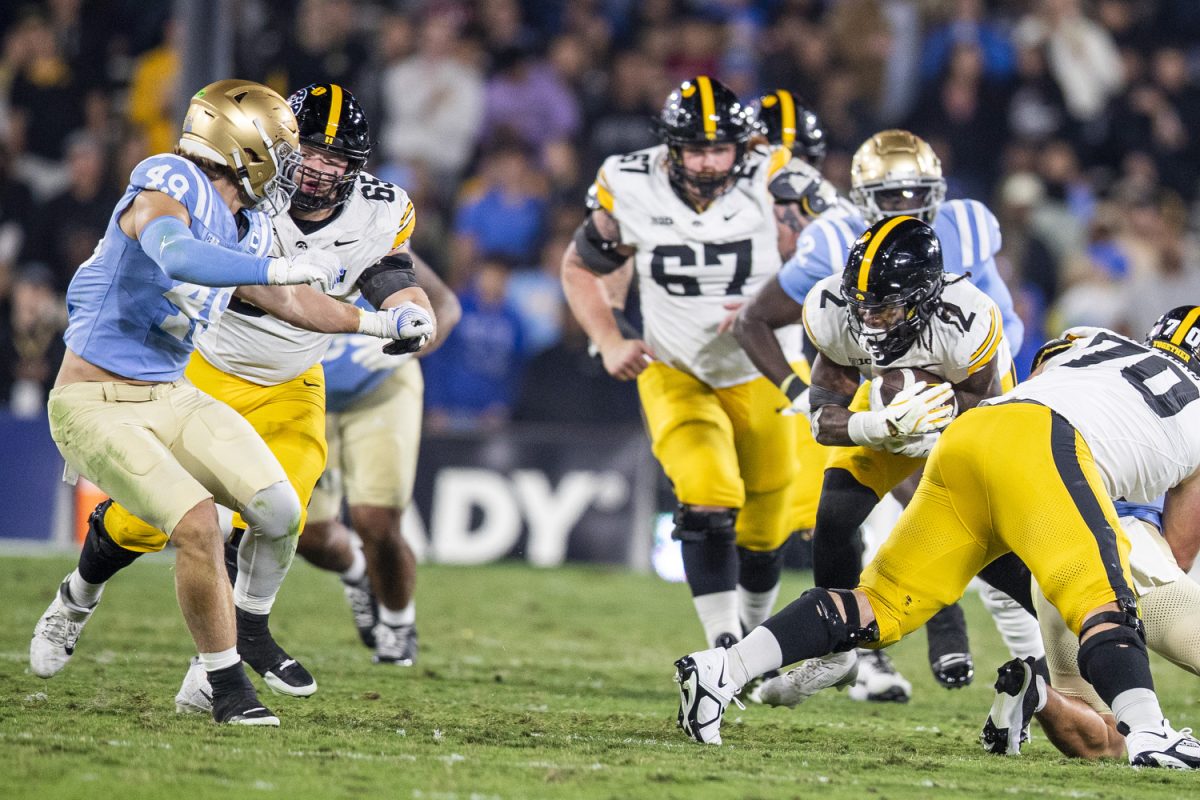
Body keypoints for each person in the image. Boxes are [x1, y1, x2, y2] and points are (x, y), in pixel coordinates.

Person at [33, 82, 435, 709]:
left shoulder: (271, 212)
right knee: (156, 520)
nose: (313, 167)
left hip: (291, 379)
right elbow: (191, 258)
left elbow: (360, 283)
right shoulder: (191, 185)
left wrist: (391, 318)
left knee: (280, 511)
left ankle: (229, 653)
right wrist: (274, 269)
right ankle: (78, 596)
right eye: (300, 149)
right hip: (198, 369)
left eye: (333, 157)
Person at [675, 302, 1200, 770]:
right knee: (1103, 604)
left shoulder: (1092, 338)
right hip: (1048, 446)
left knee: (878, 603)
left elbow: (1041, 374)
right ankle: (1152, 734)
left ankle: (723, 668)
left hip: (975, 432)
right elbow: (1175, 552)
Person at [731, 128, 1033, 699]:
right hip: (886, 395)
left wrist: (933, 427)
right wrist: (878, 425)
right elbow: (823, 413)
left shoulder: (969, 316)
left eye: (887, 305)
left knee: (985, 533)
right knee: (835, 516)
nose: (869, 317)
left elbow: (979, 400)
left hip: (970, 396)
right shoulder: (833, 295)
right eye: (861, 302)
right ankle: (837, 647)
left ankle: (1046, 659)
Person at [562, 76, 827, 662]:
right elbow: (582, 266)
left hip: (762, 366)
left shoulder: (779, 178)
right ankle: (722, 645)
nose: (708, 164)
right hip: (675, 364)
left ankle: (755, 647)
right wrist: (607, 337)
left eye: (720, 149)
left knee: (765, 529)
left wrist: (777, 302)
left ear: (743, 146)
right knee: (706, 495)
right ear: (670, 147)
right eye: (696, 149)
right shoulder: (630, 183)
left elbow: (835, 260)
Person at [980, 334, 1200, 760]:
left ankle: (1038, 695)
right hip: (1122, 544)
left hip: (1043, 537)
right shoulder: (1191, 407)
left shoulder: (1090, 346)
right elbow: (1180, 551)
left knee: (1103, 739)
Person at [297, 255, 460, 666]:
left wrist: (410, 350)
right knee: (302, 531)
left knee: (377, 522)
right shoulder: (273, 227)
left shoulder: (373, 227)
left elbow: (445, 307)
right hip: (304, 389)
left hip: (380, 387)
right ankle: (357, 572)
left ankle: (398, 625)